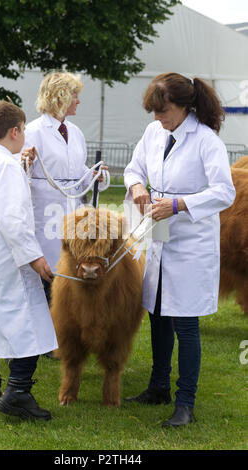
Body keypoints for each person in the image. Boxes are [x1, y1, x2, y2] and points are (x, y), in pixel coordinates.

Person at [124, 73, 235, 427]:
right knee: (156, 313)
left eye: (164, 111)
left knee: (185, 324)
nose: (158, 119)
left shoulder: (206, 141)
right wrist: (138, 186)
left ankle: (185, 401)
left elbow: (223, 192)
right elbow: (133, 168)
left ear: (185, 106)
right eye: (154, 113)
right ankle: (158, 386)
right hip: (159, 236)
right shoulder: (154, 132)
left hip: (191, 244)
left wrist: (178, 205)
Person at [0, 100, 58, 421]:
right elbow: (12, 220)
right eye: (25, 130)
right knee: (31, 322)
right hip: (9, 260)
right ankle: (17, 392)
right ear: (15, 131)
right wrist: (36, 259)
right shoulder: (5, 168)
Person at [19, 71, 108, 305]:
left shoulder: (75, 133)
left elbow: (77, 172)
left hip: (73, 214)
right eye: (75, 95)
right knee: (46, 277)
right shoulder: (34, 131)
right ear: (61, 97)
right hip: (44, 213)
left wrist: (95, 174)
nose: (78, 101)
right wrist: (25, 161)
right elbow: (21, 171)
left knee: (70, 273)